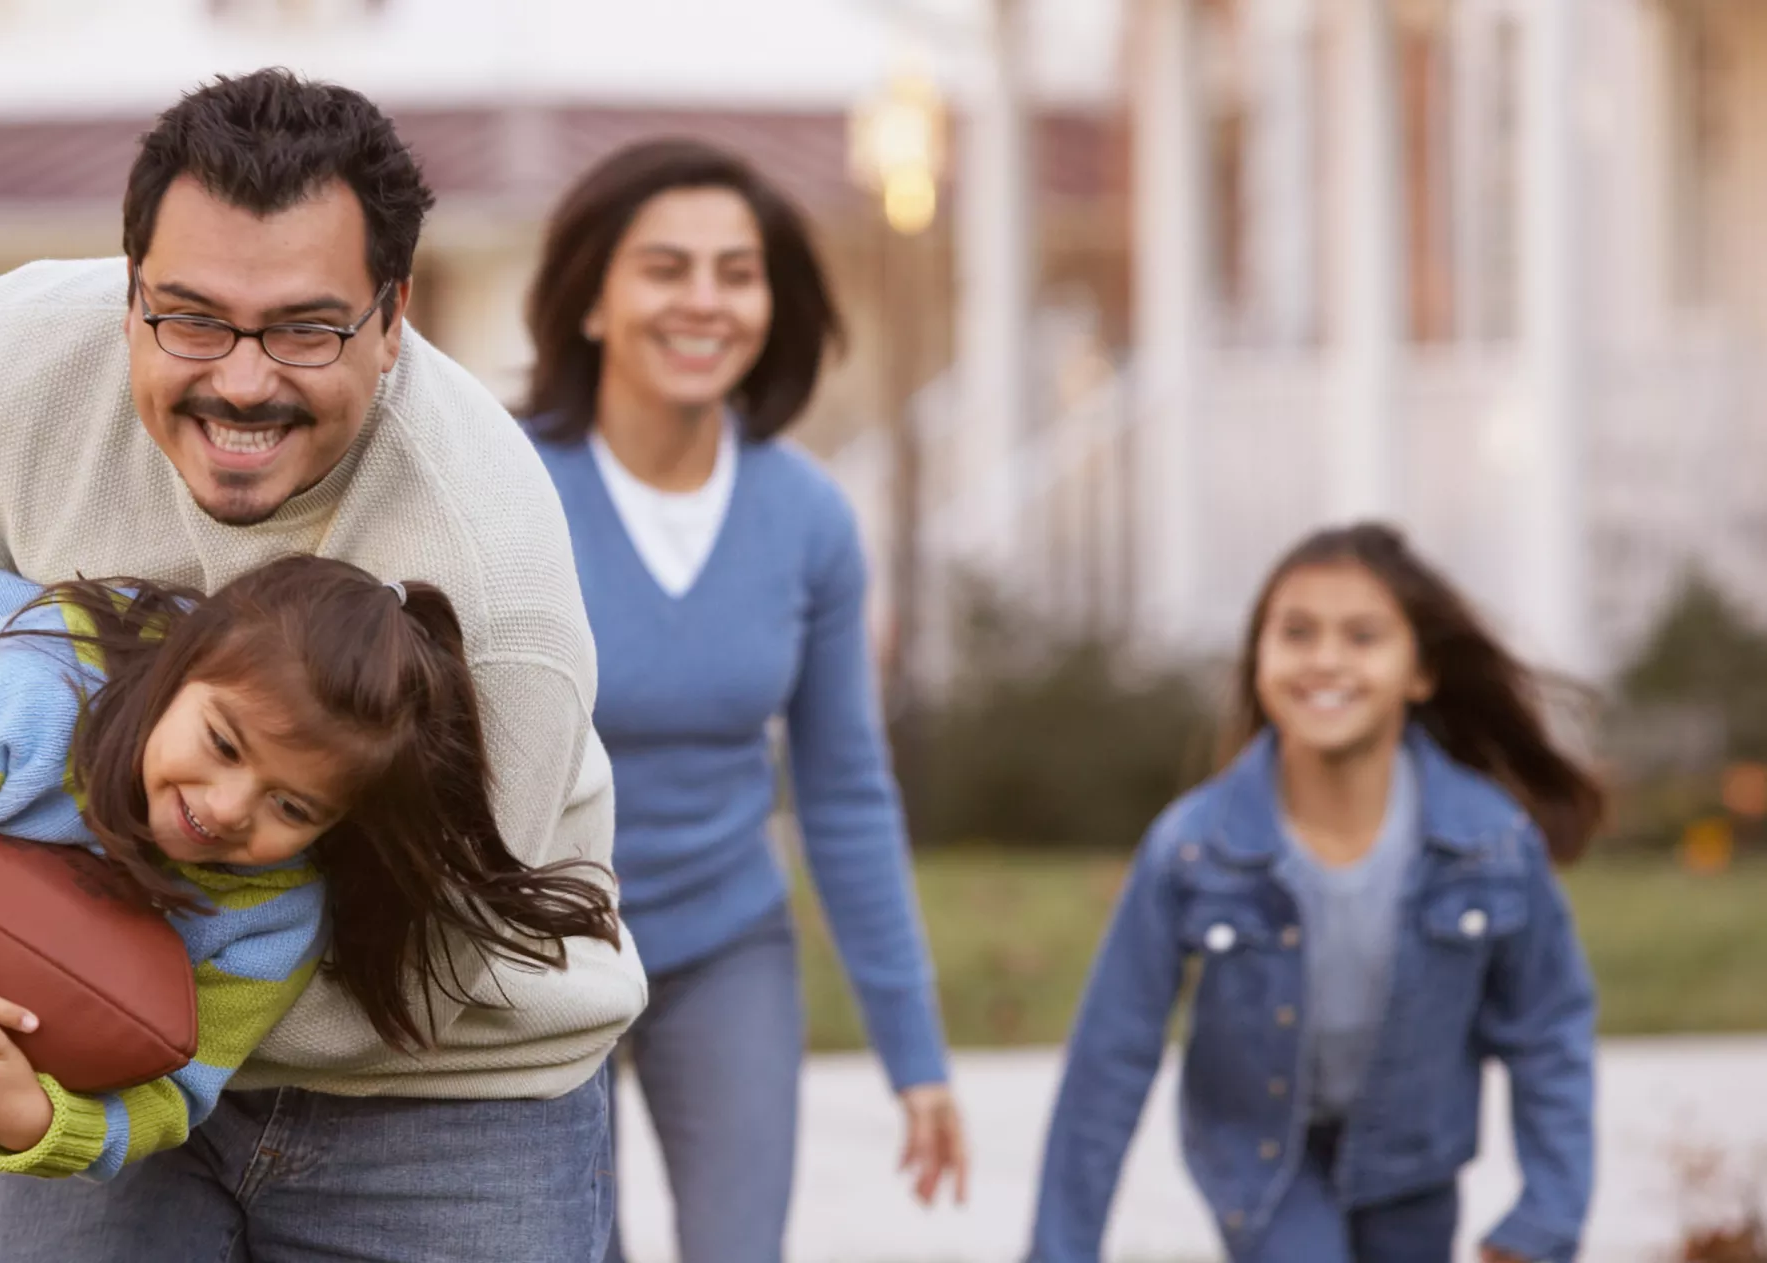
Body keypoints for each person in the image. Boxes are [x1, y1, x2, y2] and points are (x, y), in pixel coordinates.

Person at [0, 69, 643, 1261]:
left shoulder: (490, 592)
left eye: (306, 328)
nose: (239, 378)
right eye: (191, 316)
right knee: (1, 689)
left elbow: (432, 961)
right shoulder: (3, 363)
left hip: (443, 1085)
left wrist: (80, 966)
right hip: (97, 948)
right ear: (128, 295)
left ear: (391, 323)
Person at [0, 557, 614, 1182]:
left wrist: (41, 1121)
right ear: (178, 669)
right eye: (224, 744)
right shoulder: (32, 695)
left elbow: (178, 1092)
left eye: (292, 807)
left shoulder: (277, 911)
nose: (228, 807)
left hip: (55, 848)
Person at [522, 138, 967, 1262]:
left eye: (737, 271)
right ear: (591, 300)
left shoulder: (808, 519)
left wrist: (915, 1058)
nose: (705, 302)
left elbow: (847, 794)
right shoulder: (509, 492)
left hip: (727, 943)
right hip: (535, 951)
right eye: (667, 268)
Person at [1027, 523, 1598, 1263]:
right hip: (1262, 1161)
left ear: (1418, 671)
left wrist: (1545, 1216)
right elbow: (1111, 1056)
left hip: (1415, 1161)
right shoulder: (1195, 847)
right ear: (1258, 659)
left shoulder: (1491, 843)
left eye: (1363, 636)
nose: (1326, 659)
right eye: (1296, 633)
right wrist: (1059, 1250)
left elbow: (1548, 1035)